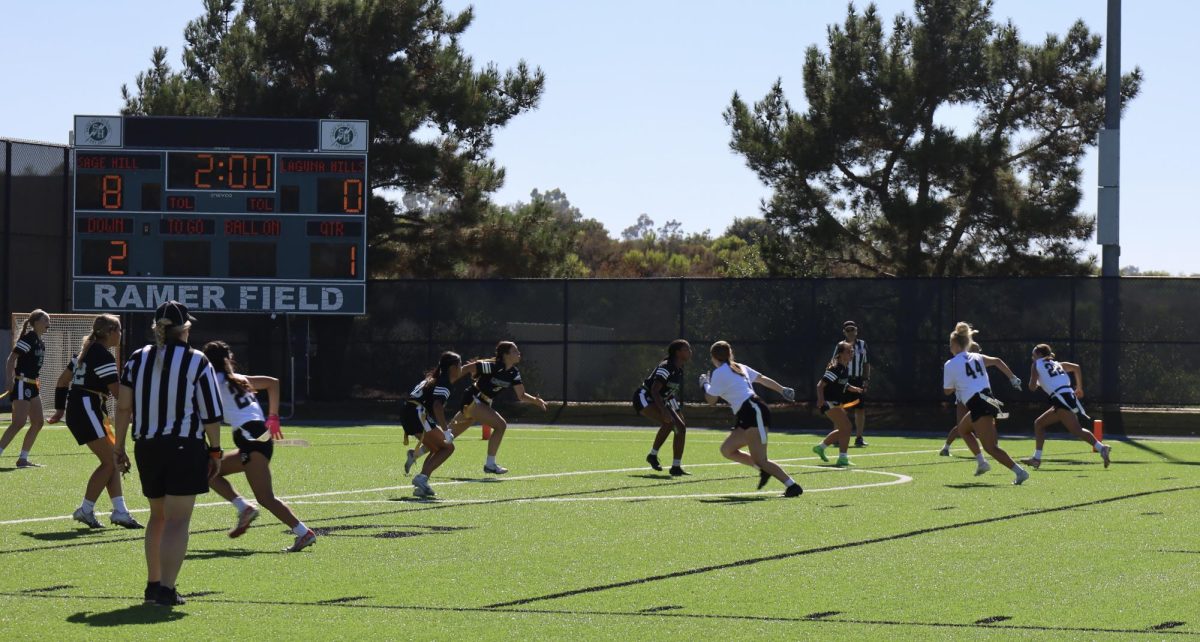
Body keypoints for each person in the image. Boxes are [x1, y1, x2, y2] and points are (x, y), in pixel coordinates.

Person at [113, 301, 224, 607]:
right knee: (177, 521)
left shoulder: (137, 359)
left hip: (147, 446)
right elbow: (211, 414)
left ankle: (152, 585)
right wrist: (215, 450)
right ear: (185, 329)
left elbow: (123, 407)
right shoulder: (197, 360)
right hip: (183, 446)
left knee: (158, 517)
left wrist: (118, 446)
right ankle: (166, 589)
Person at [202, 341, 316, 551]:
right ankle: (243, 507)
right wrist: (273, 417)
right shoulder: (238, 379)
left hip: (250, 438)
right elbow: (273, 383)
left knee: (265, 497)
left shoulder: (210, 381)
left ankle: (303, 533)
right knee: (208, 470)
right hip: (256, 436)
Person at [49, 314, 142, 528]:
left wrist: (60, 409)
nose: (121, 334)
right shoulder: (102, 355)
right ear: (110, 332)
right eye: (118, 330)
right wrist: (141, 411)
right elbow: (118, 393)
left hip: (83, 408)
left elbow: (63, 381)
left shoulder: (86, 350)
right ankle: (86, 510)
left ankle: (120, 511)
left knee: (113, 461)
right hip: (87, 408)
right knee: (110, 461)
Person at [407, 341, 546, 475]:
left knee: (448, 436)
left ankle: (414, 454)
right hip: (473, 399)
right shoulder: (493, 366)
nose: (519, 353)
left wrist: (535, 401)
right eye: (515, 351)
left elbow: (521, 395)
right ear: (506, 354)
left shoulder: (514, 372)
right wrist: (448, 381)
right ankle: (490, 464)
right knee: (500, 425)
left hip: (482, 403)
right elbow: (469, 368)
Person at [699, 341, 803, 497]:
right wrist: (782, 389)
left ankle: (792, 486)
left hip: (754, 410)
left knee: (761, 459)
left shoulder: (721, 372)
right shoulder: (738, 366)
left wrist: (704, 385)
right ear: (729, 354)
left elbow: (711, 400)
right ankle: (763, 470)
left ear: (713, 357)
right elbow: (762, 379)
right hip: (747, 413)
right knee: (727, 450)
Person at [942, 323, 1029, 485]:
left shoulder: (950, 364)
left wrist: (959, 383)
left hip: (979, 403)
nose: (950, 347)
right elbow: (997, 361)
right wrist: (1012, 378)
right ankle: (981, 462)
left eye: (950, 344)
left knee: (991, 447)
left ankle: (1020, 472)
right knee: (963, 429)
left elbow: (947, 391)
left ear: (955, 344)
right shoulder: (977, 357)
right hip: (987, 400)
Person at [1021, 344, 1111, 469]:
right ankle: (1036, 458)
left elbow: (1032, 387)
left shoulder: (1036, 364)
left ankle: (1102, 448)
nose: (1033, 357)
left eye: (1034, 355)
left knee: (1075, 429)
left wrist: (1036, 381)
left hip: (1060, 398)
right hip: (1067, 396)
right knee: (1040, 424)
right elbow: (1076, 367)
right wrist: (1079, 387)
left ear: (1040, 355)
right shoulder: (1058, 364)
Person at [403, 352, 462, 497]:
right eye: (460, 365)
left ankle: (422, 484)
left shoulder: (433, 378)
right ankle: (422, 478)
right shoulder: (445, 382)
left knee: (436, 448)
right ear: (453, 368)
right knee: (448, 448)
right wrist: (446, 431)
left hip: (407, 412)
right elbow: (437, 406)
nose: (461, 368)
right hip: (417, 413)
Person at [1, 310, 50, 467]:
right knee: (18, 423)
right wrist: (10, 380)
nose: (48, 323)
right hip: (22, 383)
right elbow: (11, 359)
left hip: (32, 385)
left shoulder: (40, 342)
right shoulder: (28, 339)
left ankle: (23, 458)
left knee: (38, 422)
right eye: (45, 320)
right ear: (35, 323)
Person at [636, 340, 692, 476]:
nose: (690, 351)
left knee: (681, 428)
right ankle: (653, 455)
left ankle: (676, 467)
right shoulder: (666, 366)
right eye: (686, 349)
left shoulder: (678, 369)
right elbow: (655, 390)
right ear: (677, 352)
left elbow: (668, 394)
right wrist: (664, 411)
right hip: (645, 397)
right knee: (669, 422)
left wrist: (677, 411)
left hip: (662, 400)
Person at [812, 341, 865, 467]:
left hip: (835, 402)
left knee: (844, 428)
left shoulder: (844, 368)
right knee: (846, 426)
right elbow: (820, 385)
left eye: (852, 352)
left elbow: (842, 384)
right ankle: (842, 458)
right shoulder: (836, 368)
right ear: (840, 354)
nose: (851, 354)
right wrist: (821, 399)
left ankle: (821, 447)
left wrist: (854, 388)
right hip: (828, 402)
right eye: (848, 351)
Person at [834, 321, 871, 447]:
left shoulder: (862, 344)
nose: (851, 332)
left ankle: (859, 438)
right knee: (839, 409)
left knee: (860, 409)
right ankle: (838, 436)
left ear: (856, 331)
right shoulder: (840, 345)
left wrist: (866, 379)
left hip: (858, 380)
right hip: (843, 379)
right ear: (844, 332)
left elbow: (866, 363)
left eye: (852, 330)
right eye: (848, 330)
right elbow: (834, 362)